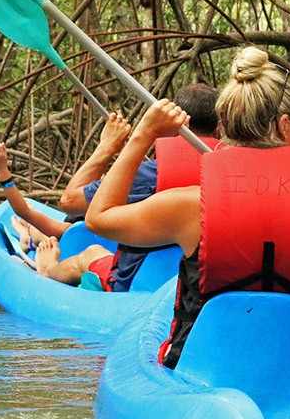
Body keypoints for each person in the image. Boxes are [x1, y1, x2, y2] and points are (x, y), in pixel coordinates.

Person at [86, 46, 290, 375]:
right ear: (285, 125)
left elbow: (98, 217)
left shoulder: (191, 205)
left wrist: (143, 135)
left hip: (201, 370)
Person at [58, 84, 221, 292]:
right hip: (201, 283)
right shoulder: (228, 175)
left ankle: (46, 269)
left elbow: (69, 202)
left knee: (91, 253)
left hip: (136, 283)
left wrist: (106, 148)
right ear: (219, 128)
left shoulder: (147, 175)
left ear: (172, 125)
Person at [0, 142, 113, 286]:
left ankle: (29, 238)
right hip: (72, 227)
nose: (102, 178)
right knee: (47, 231)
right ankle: (26, 233)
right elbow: (25, 212)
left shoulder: (80, 227)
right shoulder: (79, 224)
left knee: (46, 235)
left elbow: (25, 212)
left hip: (68, 233)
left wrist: (2, 171)